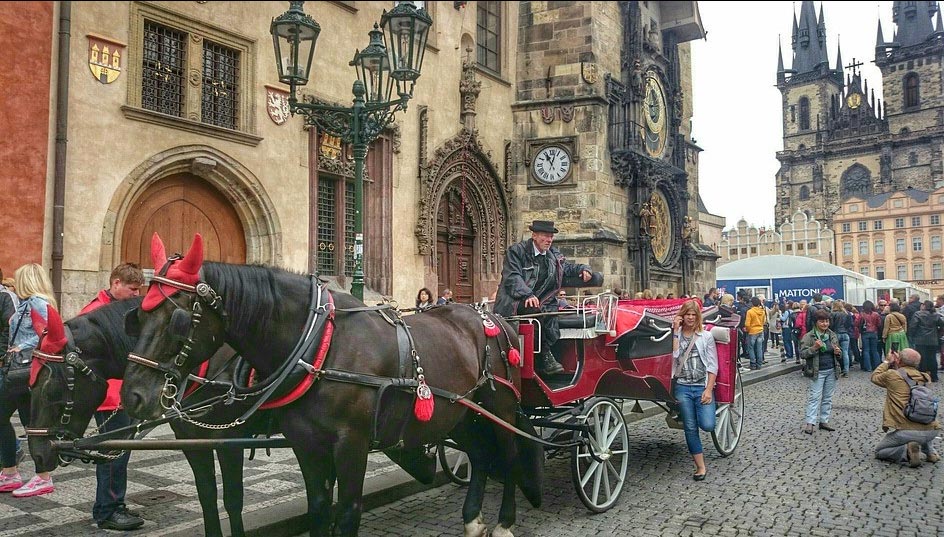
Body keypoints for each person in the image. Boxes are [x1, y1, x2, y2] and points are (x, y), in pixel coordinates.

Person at [78, 263, 146, 530]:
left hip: (122, 394)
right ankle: (107, 510)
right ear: (115, 283)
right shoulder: (94, 314)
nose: (135, 294)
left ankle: (115, 504)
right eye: (132, 289)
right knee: (112, 454)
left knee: (121, 453)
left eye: (139, 289)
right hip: (109, 397)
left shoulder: (121, 310)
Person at [494, 220, 591, 375]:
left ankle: (545, 358)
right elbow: (512, 277)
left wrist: (584, 269)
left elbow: (567, 267)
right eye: (545, 236)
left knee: (549, 312)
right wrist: (527, 293)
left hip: (543, 303)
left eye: (551, 236)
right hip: (513, 301)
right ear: (534, 235)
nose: (549, 240)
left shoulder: (553, 255)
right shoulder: (516, 251)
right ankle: (545, 356)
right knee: (534, 308)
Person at [0, 263, 56, 497]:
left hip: (24, 371)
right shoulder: (28, 304)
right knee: (29, 422)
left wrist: (19, 347)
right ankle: (15, 471)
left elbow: (48, 335)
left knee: (29, 423)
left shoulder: (37, 303)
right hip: (22, 372)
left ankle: (37, 475)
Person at [671, 300, 718, 481]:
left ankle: (701, 411)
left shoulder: (705, 336)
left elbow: (713, 365)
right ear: (682, 316)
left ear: (697, 317)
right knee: (690, 427)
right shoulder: (677, 335)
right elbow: (675, 356)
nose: (690, 318)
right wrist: (675, 331)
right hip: (682, 386)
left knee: (707, 425)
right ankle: (700, 467)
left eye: (693, 315)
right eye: (687, 314)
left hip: (701, 386)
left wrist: (708, 390)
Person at [871, 348, 940, 467]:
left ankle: (906, 452)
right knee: (922, 414)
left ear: (899, 360)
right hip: (932, 430)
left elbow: (875, 377)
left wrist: (888, 362)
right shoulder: (925, 377)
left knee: (880, 451)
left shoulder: (892, 375)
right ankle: (930, 453)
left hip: (906, 431)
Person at [799, 308, 842, 434]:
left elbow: (838, 354)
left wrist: (838, 353)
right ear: (816, 322)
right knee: (814, 397)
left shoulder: (832, 335)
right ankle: (810, 422)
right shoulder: (809, 336)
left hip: (831, 370)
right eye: (822, 321)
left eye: (827, 321)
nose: (825, 324)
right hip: (817, 371)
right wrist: (814, 348)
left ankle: (824, 420)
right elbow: (803, 354)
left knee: (827, 397)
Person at [907, 300, 944, 383]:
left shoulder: (918, 314)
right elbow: (942, 325)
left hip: (920, 340)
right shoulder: (936, 315)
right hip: (933, 340)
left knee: (922, 358)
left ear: (924, 306)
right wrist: (938, 334)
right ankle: (934, 376)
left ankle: (922, 375)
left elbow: (913, 326)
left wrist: (911, 336)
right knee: (932, 358)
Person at [744, 297, 766, 370]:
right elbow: (763, 321)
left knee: (751, 348)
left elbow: (747, 324)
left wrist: (748, 329)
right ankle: (759, 364)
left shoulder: (750, 312)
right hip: (760, 330)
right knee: (759, 348)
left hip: (752, 331)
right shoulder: (762, 311)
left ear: (752, 303)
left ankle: (753, 364)